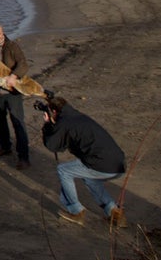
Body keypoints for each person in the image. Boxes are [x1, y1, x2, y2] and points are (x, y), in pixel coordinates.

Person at [41, 94, 127, 227]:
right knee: (90, 178)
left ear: (53, 111)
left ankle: (76, 212)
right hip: (119, 164)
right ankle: (114, 212)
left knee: (63, 170)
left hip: (101, 164)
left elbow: (53, 146)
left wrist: (47, 125)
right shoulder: (77, 116)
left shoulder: (64, 122)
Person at [0, 22, 31, 169]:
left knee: (18, 122)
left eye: (0, 34)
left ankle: (24, 157)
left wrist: (14, 76)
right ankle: (5, 147)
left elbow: (23, 64)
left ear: (3, 32)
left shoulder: (12, 46)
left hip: (12, 92)